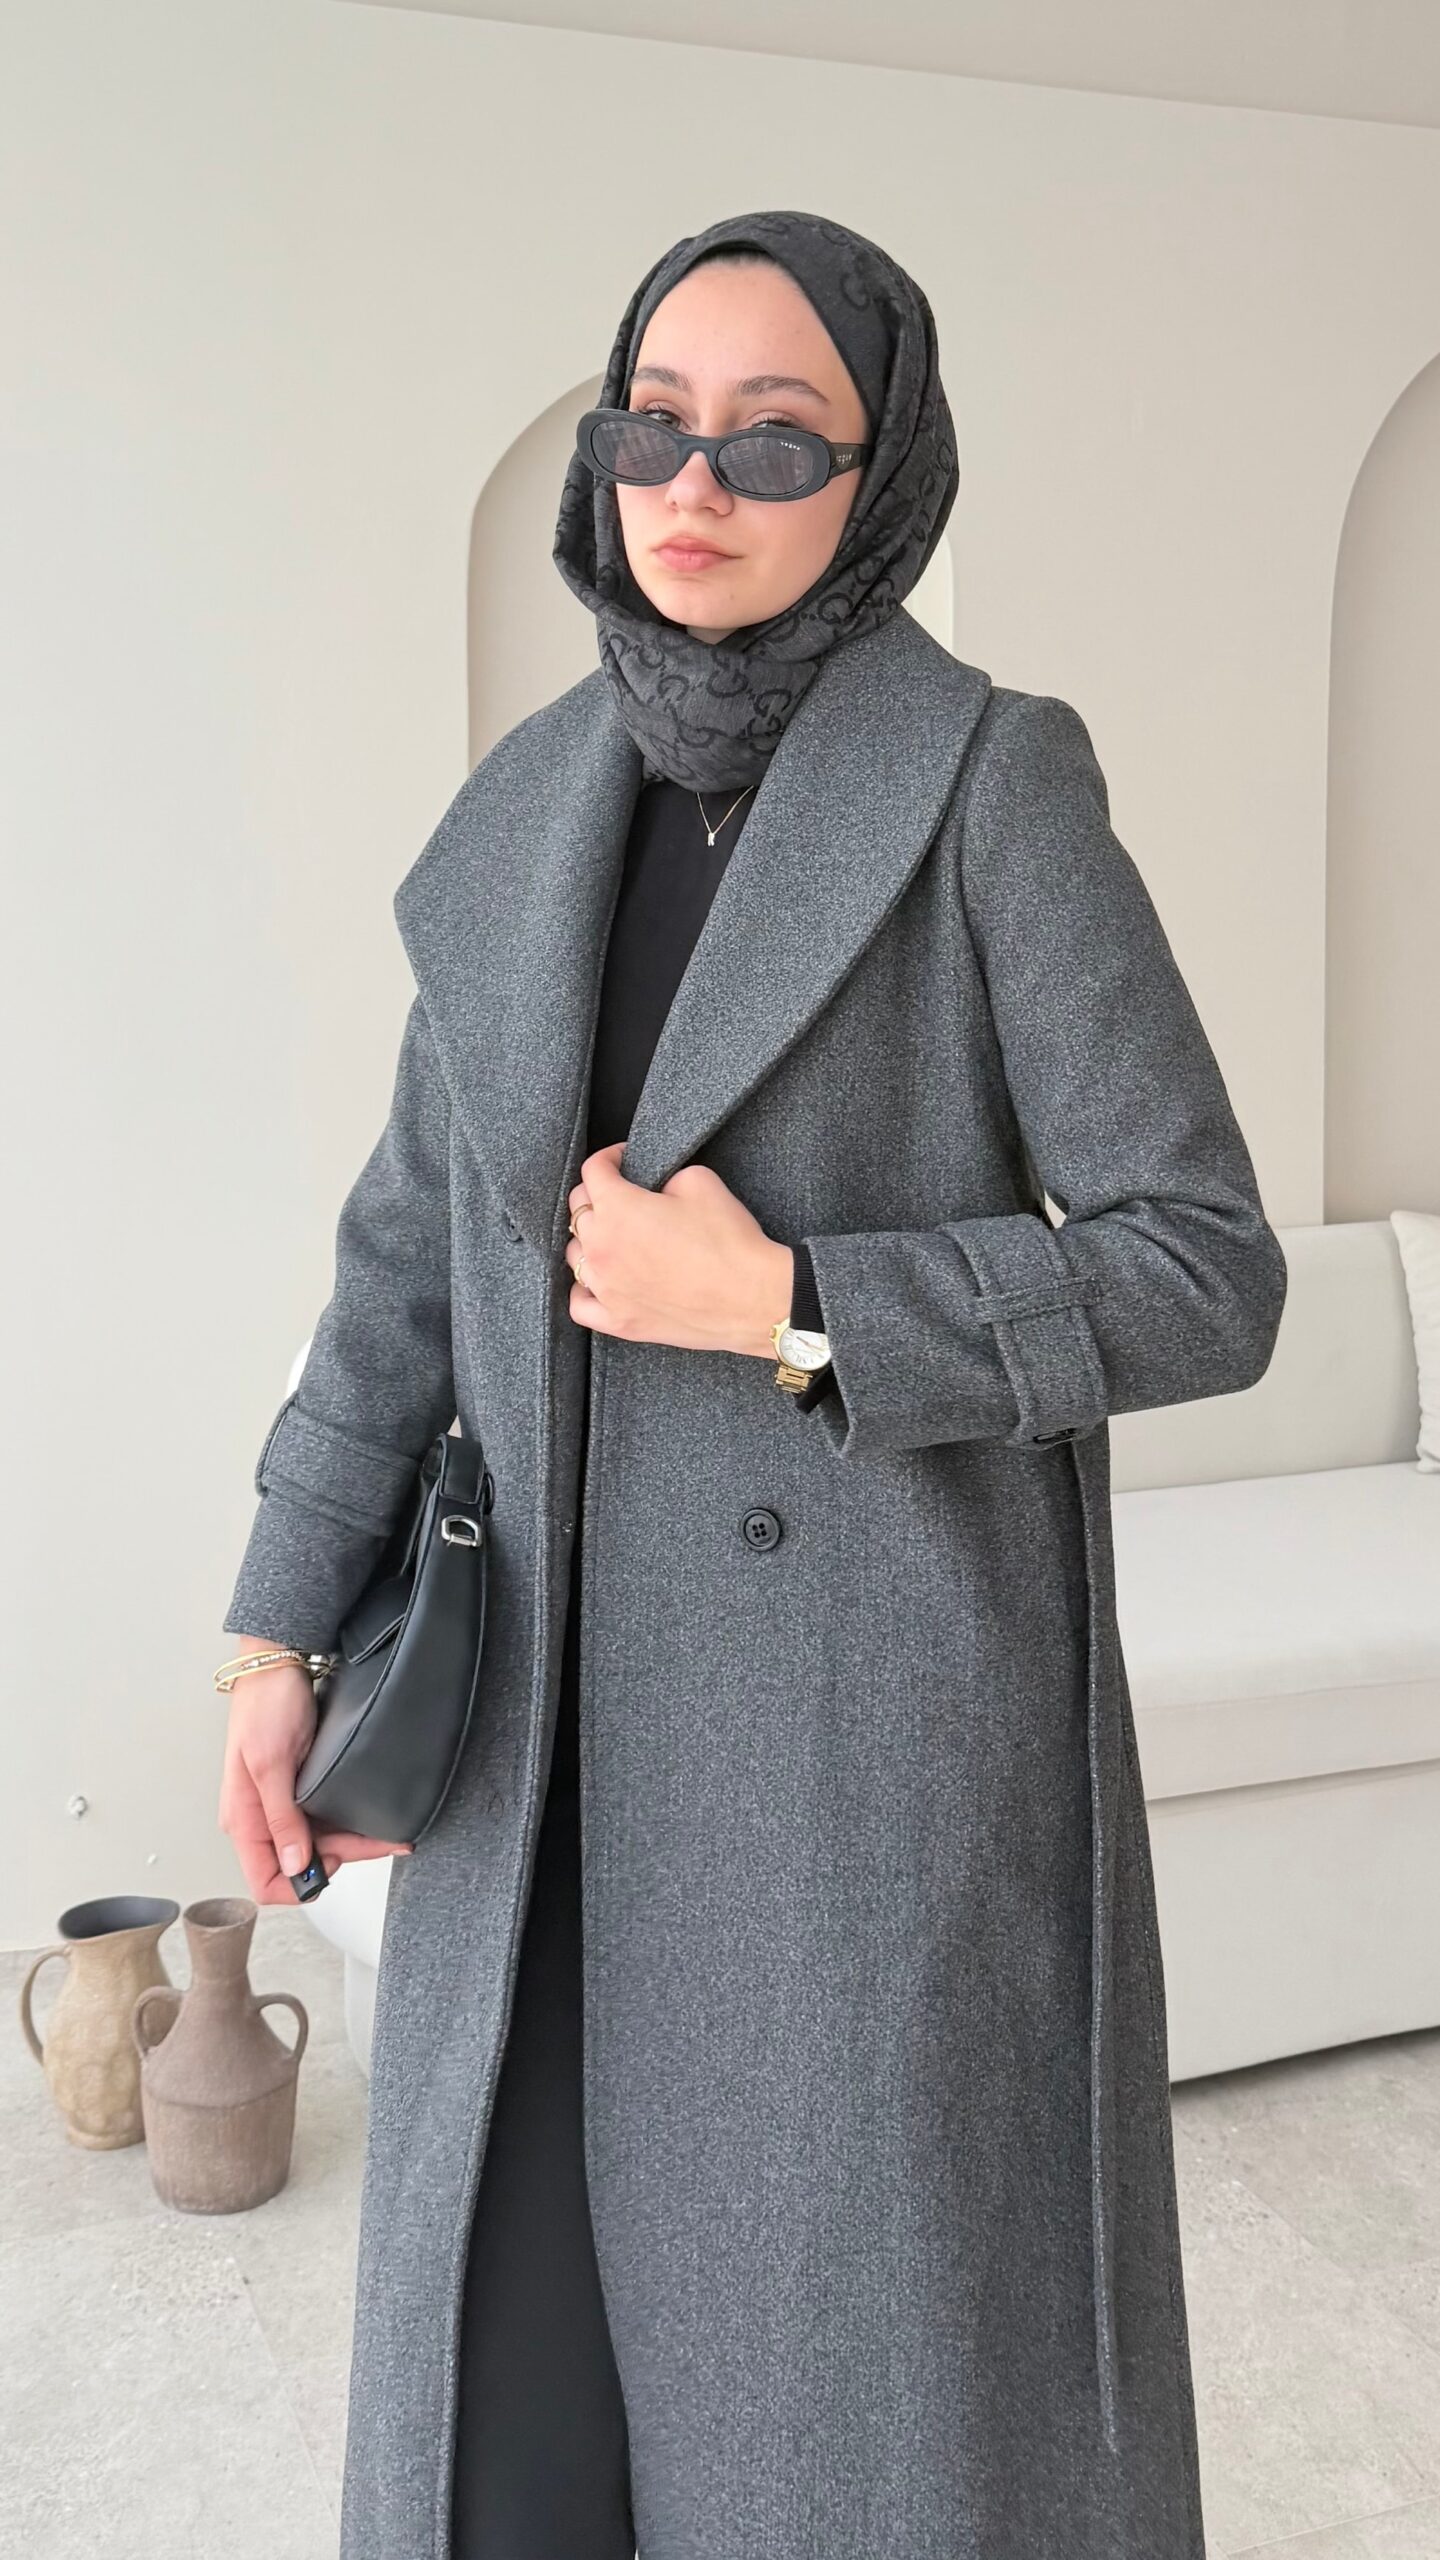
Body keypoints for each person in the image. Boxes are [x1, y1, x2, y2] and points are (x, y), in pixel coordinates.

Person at [217, 210, 1287, 2560]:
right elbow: (405, 1262)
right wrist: (281, 1623)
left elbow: (1206, 1270)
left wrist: (797, 1302)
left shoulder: (989, 781)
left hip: (857, 1769)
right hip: (538, 1763)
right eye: (655, 425)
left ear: (880, 476)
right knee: (516, 2420)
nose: (696, 482)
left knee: (839, 2427)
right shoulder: (527, 808)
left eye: (778, 436)